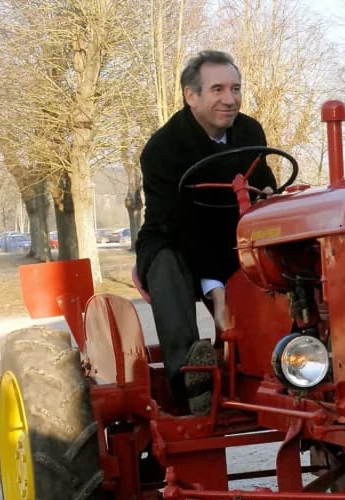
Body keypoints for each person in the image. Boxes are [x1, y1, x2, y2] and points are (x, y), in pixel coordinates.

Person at [135, 50, 276, 415]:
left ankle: (280, 360)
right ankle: (189, 376)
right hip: (179, 239)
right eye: (218, 89)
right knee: (166, 264)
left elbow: (267, 188)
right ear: (191, 95)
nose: (230, 99)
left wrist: (271, 199)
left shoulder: (249, 131)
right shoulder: (162, 149)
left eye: (235, 88)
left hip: (236, 235)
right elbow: (176, 224)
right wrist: (216, 291)